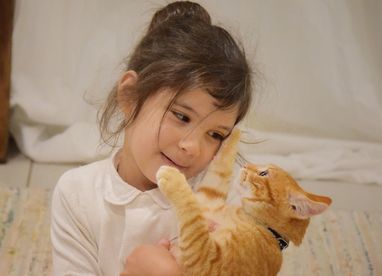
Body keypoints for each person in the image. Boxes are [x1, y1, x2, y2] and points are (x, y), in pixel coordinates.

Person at [50, 1, 252, 275]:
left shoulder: (225, 201)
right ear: (130, 96)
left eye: (215, 134)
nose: (192, 147)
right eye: (181, 116)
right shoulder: (77, 195)